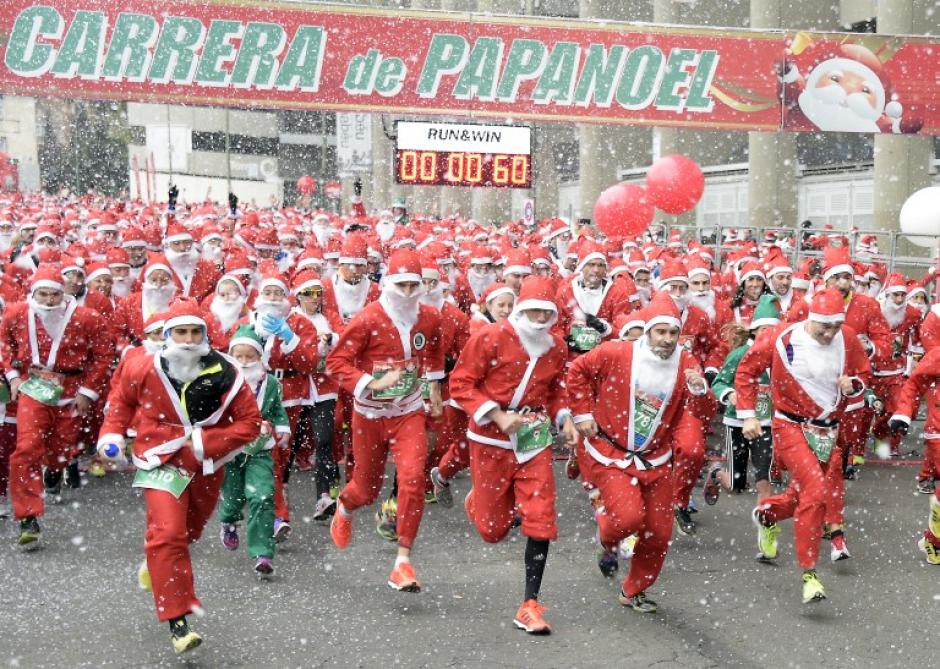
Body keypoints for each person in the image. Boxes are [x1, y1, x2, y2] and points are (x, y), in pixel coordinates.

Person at [96, 300, 261, 654]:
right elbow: (121, 400)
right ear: (167, 335)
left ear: (205, 334)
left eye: (194, 332)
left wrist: (203, 442)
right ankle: (178, 621)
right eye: (180, 332)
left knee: (188, 533)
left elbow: (251, 424)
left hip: (206, 461)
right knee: (168, 533)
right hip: (158, 456)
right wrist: (111, 434)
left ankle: (156, 562)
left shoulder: (226, 371)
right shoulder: (143, 366)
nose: (187, 340)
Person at [567, 292, 716, 612]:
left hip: (655, 459)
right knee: (628, 518)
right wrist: (582, 414)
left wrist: (700, 390)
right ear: (647, 331)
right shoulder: (618, 352)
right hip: (612, 454)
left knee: (659, 533)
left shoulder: (686, 363)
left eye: (673, 332)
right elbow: (577, 371)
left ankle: (633, 589)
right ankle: (606, 542)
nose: (667, 339)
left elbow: (704, 413)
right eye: (660, 331)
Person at [449, 277, 578, 634]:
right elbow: (460, 383)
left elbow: (556, 391)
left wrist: (564, 418)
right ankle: (481, 502)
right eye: (534, 310)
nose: (540, 318)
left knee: (541, 517)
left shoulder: (556, 347)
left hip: (534, 440)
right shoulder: (490, 337)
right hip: (490, 440)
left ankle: (529, 604)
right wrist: (497, 414)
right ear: (520, 309)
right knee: (492, 531)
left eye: (546, 312)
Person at [736, 288, 870, 604]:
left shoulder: (848, 338)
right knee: (816, 491)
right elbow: (746, 371)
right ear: (811, 318)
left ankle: (767, 514)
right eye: (824, 326)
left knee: (802, 495)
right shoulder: (780, 337)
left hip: (827, 430)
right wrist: (748, 414)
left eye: (835, 326)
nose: (829, 333)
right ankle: (809, 573)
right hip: (790, 425)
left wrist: (854, 386)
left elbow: (863, 375)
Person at [326, 249, 445, 592]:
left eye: (413, 286)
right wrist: (370, 383)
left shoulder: (429, 317)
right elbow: (336, 363)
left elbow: (435, 349)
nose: (407, 293)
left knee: (412, 479)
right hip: (369, 415)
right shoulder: (368, 319)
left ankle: (402, 562)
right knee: (366, 490)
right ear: (388, 283)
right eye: (401, 285)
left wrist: (434, 385)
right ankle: (344, 506)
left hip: (409, 413)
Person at [2, 266, 113, 546]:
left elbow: (103, 354)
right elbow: (3, 344)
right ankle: (28, 517)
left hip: (71, 390)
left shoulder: (86, 317)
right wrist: (13, 377)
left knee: (61, 450)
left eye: (54, 295)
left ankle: (54, 470)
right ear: (33, 293)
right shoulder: (16, 313)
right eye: (43, 294)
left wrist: (87, 392)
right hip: (34, 388)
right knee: (26, 449)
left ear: (64, 294)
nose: (49, 300)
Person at [218, 325, 290, 577]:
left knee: (262, 496)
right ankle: (229, 521)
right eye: (239, 356)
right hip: (231, 449)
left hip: (260, 449)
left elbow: (277, 409)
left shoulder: (270, 383)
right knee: (233, 498)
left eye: (250, 356)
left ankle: (263, 553)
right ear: (230, 356)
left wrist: (282, 428)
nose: (244, 361)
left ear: (260, 357)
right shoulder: (223, 381)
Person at [706, 294, 781, 504]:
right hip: (737, 422)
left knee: (764, 478)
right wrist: (730, 394)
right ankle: (717, 473)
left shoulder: (781, 354)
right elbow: (718, 383)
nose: (769, 335)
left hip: (764, 424)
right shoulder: (740, 354)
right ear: (755, 330)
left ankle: (764, 519)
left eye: (774, 331)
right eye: (765, 330)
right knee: (735, 485)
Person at [888, 345, 940, 564]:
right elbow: (914, 382)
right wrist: (903, 413)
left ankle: (933, 537)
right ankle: (933, 540)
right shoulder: (937, 355)